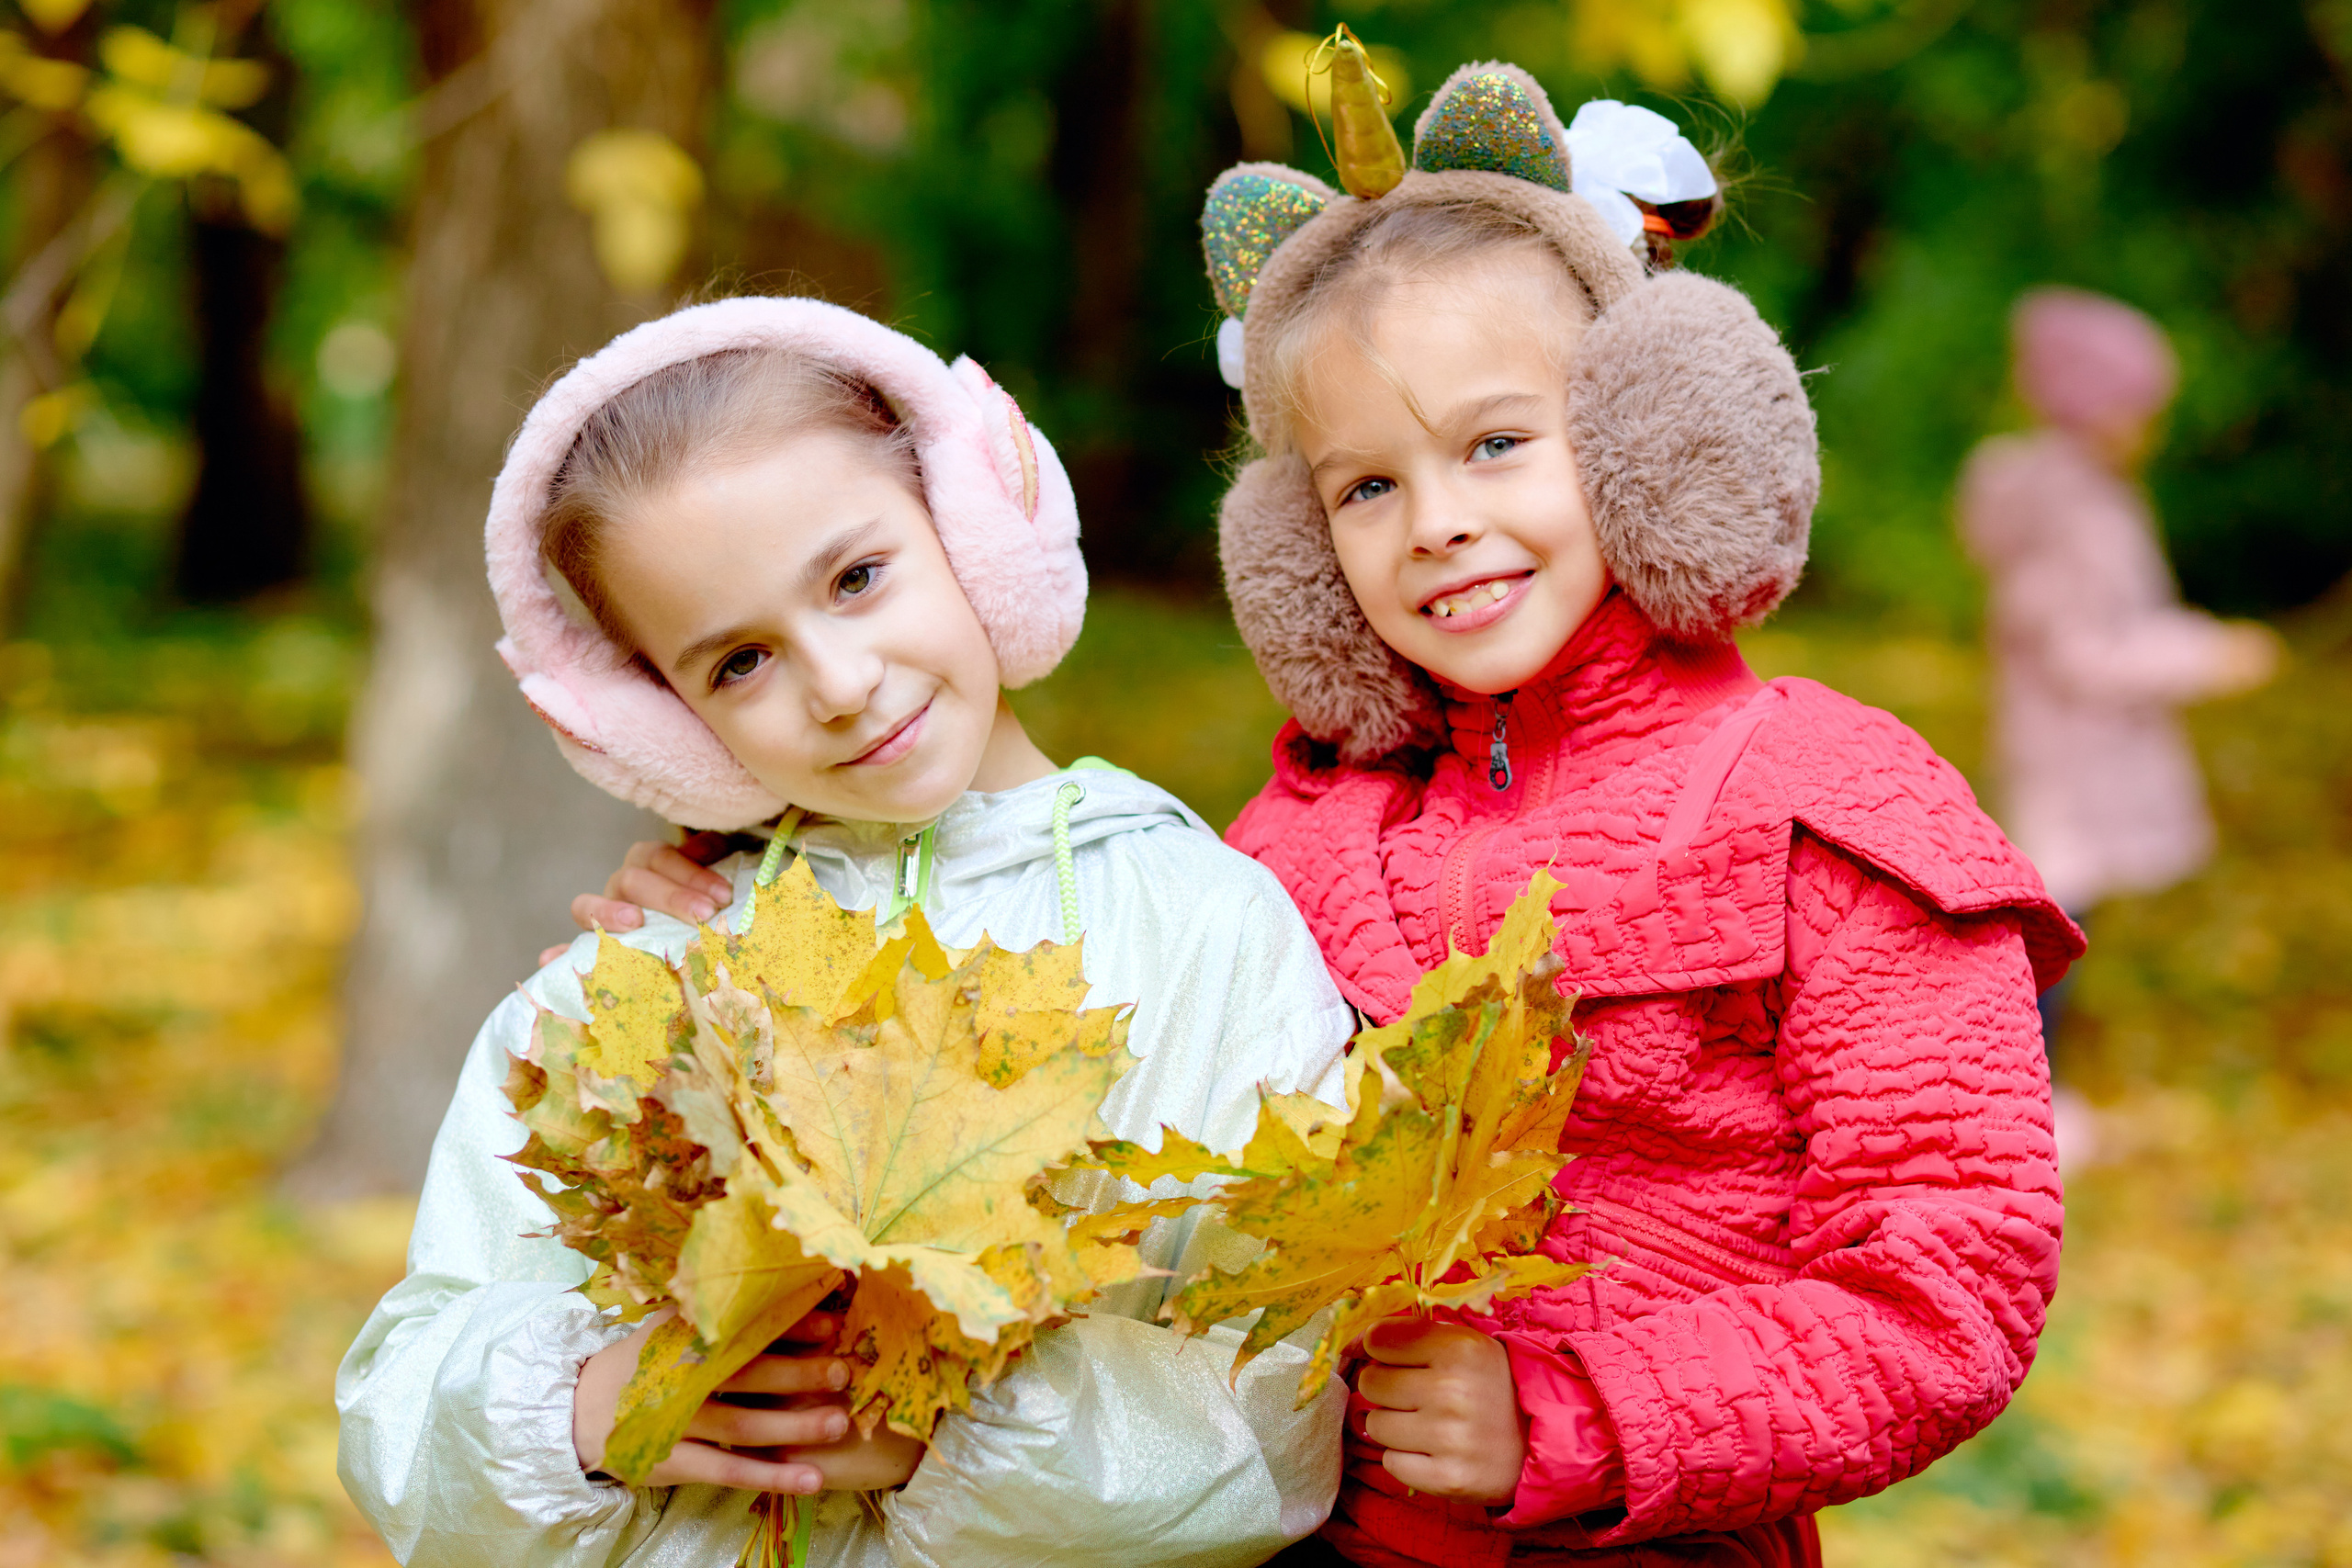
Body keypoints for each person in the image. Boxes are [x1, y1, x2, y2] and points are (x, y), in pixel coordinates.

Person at [578, 62, 2083, 1568]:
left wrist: (1584, 1414)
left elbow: (1954, 1277)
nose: (1435, 522)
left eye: (1498, 444)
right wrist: (759, 933)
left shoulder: (1821, 802)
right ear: (1299, 534)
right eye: (1365, 485)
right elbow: (1086, 1092)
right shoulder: (1290, 842)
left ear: (1651, 433)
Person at [336, 296, 1356, 1567]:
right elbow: (404, 1394)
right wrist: (586, 1404)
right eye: (737, 663)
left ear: (981, 526)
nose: (837, 680)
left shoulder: (1206, 928)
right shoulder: (650, 972)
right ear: (662, 729)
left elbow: (1286, 1412)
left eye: (858, 577)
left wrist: (961, 1433)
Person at [1959, 288, 2278, 1073]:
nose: (2151, 427)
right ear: (2092, 407)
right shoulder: (2077, 508)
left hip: (2063, 746)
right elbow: (2087, 652)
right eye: (2139, 408)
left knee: (2064, 915)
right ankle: (2031, 1096)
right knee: (2051, 925)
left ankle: (2034, 1088)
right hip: (2070, 753)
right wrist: (2209, 656)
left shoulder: (2074, 492)